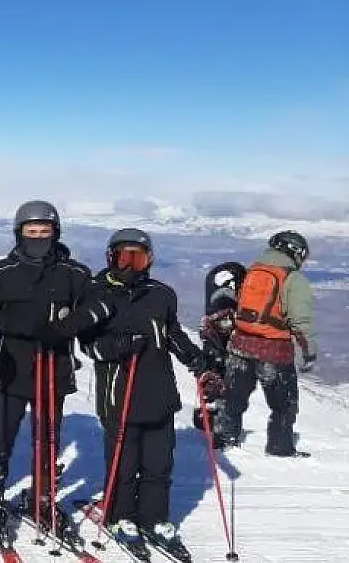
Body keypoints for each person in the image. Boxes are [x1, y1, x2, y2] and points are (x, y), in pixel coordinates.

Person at [37, 228, 221, 561]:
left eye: (140, 257)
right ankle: (121, 516)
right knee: (124, 463)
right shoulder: (96, 292)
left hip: (159, 391)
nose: (132, 264)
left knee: (159, 463)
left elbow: (173, 333)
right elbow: (87, 344)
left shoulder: (161, 294)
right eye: (126, 256)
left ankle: (154, 519)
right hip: (118, 393)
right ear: (112, 257)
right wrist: (115, 347)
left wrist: (197, 361)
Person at [0, 200, 91, 539]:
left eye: (45, 232)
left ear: (56, 234)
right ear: (19, 233)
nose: (38, 237)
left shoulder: (75, 274)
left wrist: (67, 327)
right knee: (2, 433)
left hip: (55, 366)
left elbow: (90, 312)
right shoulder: (0, 273)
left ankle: (43, 493)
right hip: (10, 365)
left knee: (48, 435)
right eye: (31, 232)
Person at [215, 231, 317, 457]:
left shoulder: (254, 270)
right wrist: (310, 352)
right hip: (274, 351)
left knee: (233, 397)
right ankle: (280, 448)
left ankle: (224, 439)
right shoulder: (293, 278)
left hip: (240, 344)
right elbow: (301, 322)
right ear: (296, 252)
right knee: (283, 405)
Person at [195, 261, 247, 434]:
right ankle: (219, 427)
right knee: (224, 377)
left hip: (218, 337)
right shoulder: (226, 302)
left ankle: (213, 421)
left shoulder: (217, 301)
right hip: (222, 338)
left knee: (219, 375)